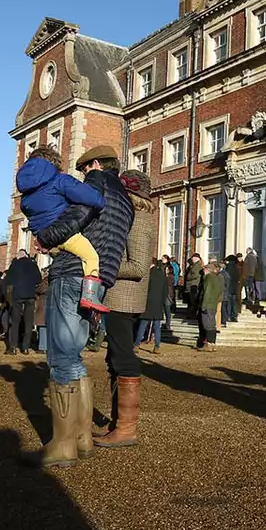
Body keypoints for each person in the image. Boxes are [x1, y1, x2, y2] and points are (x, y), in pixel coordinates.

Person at [39, 146, 133, 470]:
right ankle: (81, 438)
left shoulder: (95, 181)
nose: (81, 178)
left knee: (61, 357)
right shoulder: (126, 200)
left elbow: (78, 215)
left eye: (83, 171)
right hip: (99, 281)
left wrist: (48, 237)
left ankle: (63, 445)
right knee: (74, 355)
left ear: (94, 165)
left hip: (71, 273)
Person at [93, 169, 158, 449]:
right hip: (117, 299)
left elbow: (139, 268)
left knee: (123, 357)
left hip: (125, 300)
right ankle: (117, 422)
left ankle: (126, 429)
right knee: (113, 358)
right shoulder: (132, 219)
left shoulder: (140, 221)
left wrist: (101, 265)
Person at [15, 146, 110, 312]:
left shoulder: (26, 196)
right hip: (66, 235)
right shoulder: (60, 181)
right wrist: (99, 199)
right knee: (91, 257)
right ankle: (90, 295)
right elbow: (91, 197)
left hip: (47, 240)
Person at [5, 252, 43, 356]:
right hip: (30, 295)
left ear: (18, 256)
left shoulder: (14, 265)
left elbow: (8, 280)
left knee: (15, 322)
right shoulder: (33, 264)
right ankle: (25, 348)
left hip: (17, 295)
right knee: (28, 322)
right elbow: (39, 280)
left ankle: (13, 347)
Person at [136, 257, 169, 354]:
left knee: (142, 325)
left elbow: (143, 289)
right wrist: (162, 302)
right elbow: (166, 292)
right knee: (157, 326)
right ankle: (157, 346)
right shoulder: (163, 276)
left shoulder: (148, 275)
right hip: (158, 304)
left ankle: (137, 345)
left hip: (148, 303)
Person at [198, 259, 223, 352]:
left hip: (208, 304)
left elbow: (207, 292)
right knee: (212, 324)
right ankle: (213, 343)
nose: (204, 271)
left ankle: (208, 344)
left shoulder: (208, 278)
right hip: (213, 304)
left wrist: (203, 305)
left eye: (205, 269)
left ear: (208, 270)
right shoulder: (217, 278)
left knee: (207, 324)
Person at [243, 247, 263, 311]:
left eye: (246, 251)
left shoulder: (250, 257)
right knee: (253, 288)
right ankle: (254, 299)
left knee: (251, 287)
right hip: (253, 275)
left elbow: (247, 266)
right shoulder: (254, 258)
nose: (246, 252)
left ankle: (252, 299)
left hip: (250, 275)